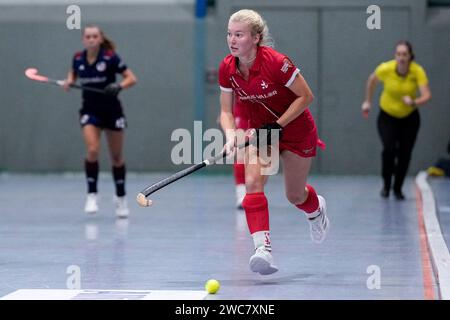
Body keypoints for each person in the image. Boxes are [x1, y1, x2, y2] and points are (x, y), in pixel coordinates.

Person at [218, 9, 329, 275]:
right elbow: (225, 111)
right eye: (230, 34)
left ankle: (316, 209)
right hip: (263, 133)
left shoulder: (277, 62)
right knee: (253, 182)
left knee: (295, 195)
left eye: (239, 35)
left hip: (296, 129)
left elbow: (306, 96)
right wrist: (231, 134)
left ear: (256, 38)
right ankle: (262, 250)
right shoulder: (227, 68)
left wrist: (278, 125)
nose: (232, 40)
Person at [63, 25, 137, 217]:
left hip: (112, 111)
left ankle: (120, 198)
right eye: (87, 36)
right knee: (93, 150)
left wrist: (118, 86)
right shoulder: (78, 58)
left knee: (116, 157)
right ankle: (92, 194)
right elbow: (73, 74)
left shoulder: (110, 57)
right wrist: (69, 81)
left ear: (100, 38)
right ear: (83, 40)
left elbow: (131, 78)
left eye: (95, 36)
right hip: (90, 111)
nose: (91, 39)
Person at [361, 40, 431, 200]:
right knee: (389, 149)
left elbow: (427, 95)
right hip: (387, 116)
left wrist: (414, 101)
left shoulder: (417, 71)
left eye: (404, 54)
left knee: (405, 153)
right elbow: (372, 80)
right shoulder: (386, 68)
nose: (401, 58)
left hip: (410, 118)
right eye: (398, 54)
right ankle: (386, 185)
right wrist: (368, 101)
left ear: (410, 56)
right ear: (395, 55)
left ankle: (398, 188)